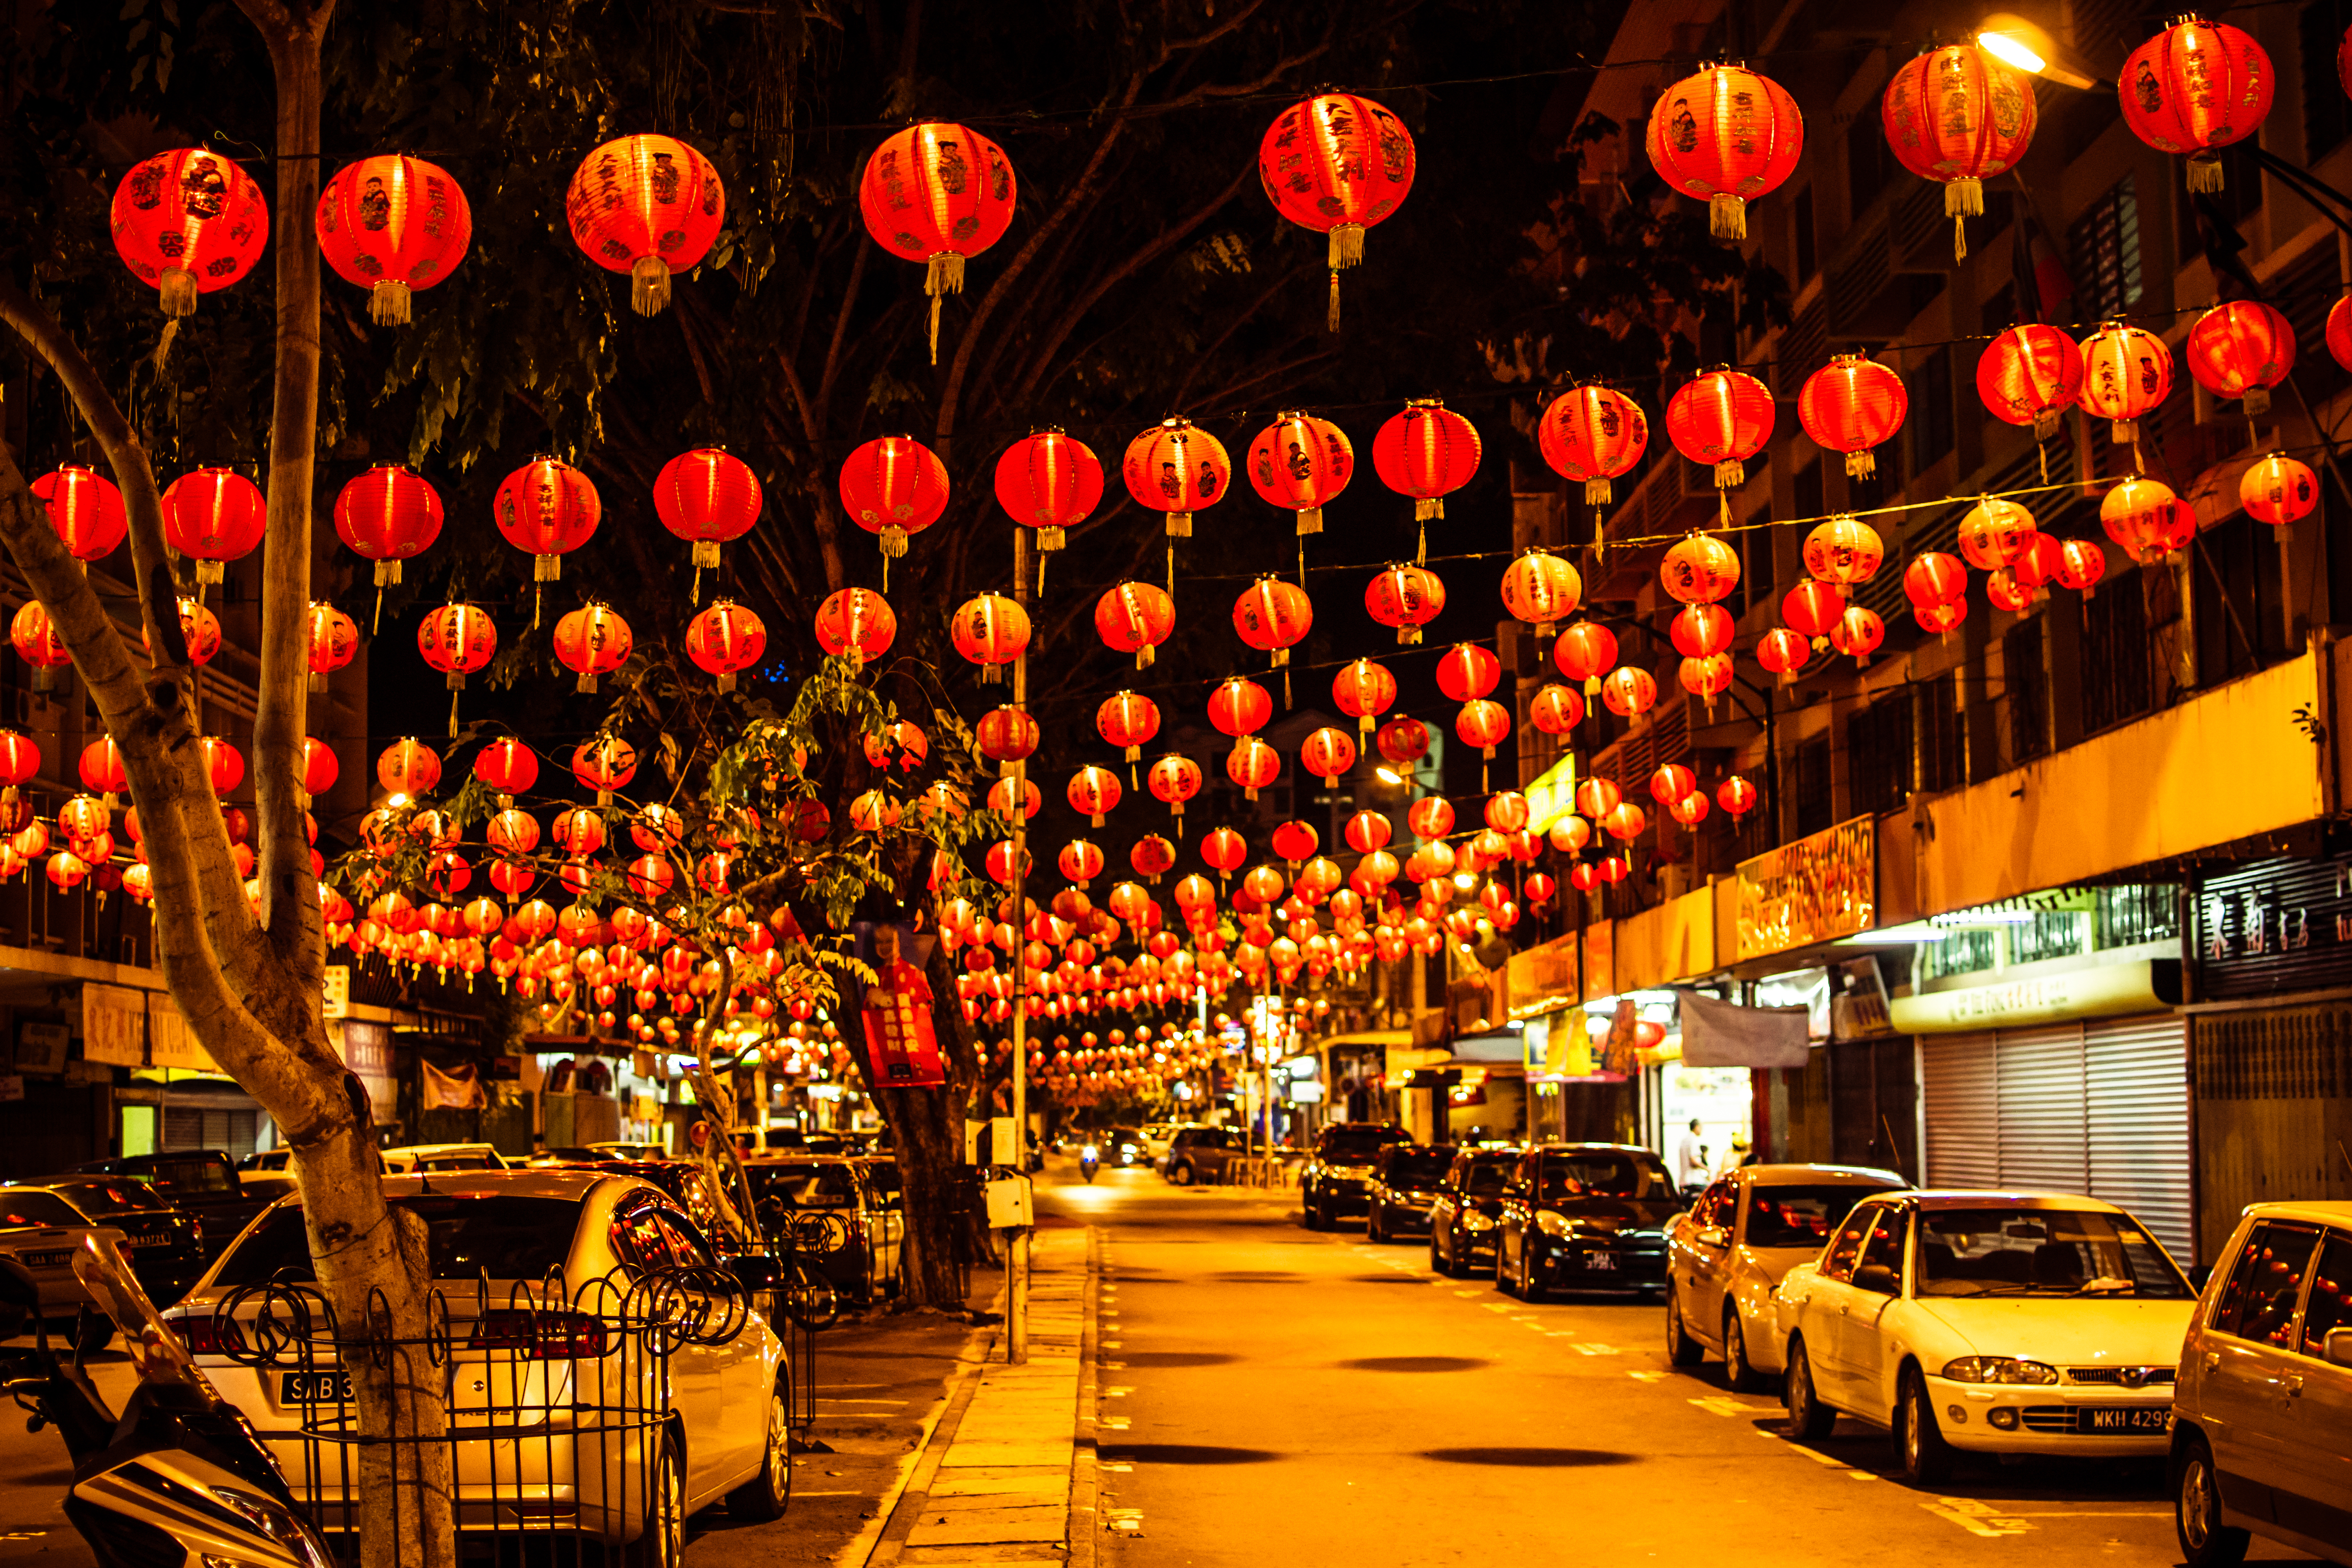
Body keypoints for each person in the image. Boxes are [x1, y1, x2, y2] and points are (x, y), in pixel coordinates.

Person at [1675, 1118, 1706, 1190]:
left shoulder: (1684, 1141)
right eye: (1701, 1128)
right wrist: (1707, 1169)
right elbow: (1694, 1161)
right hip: (1693, 1181)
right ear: (1697, 1127)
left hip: (1683, 1181)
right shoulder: (1694, 1140)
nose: (1702, 1130)